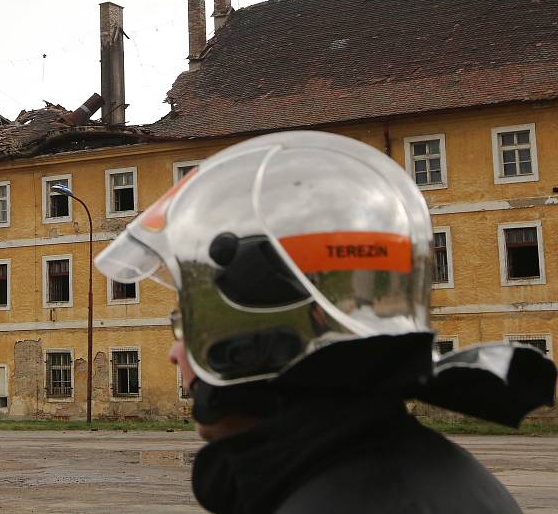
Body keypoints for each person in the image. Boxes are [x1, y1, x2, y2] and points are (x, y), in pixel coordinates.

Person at [96, 131, 557, 514]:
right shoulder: (412, 469)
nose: (174, 351)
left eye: (186, 323)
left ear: (254, 347)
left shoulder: (345, 499)